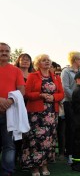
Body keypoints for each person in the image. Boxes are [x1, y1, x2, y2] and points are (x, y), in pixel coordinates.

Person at [21, 54, 64, 176]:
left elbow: (61, 94)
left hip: (51, 113)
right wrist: (41, 95)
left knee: (48, 140)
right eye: (44, 60)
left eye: (48, 60)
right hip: (35, 114)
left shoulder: (55, 77)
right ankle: (34, 168)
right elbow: (27, 93)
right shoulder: (33, 76)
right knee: (34, 140)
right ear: (38, 63)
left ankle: (44, 165)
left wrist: (54, 97)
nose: (47, 62)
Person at [0, 42, 25, 176]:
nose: (4, 53)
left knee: (9, 145)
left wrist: (10, 101)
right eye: (1, 51)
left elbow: (21, 89)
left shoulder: (16, 71)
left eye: (7, 51)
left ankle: (7, 171)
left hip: (9, 112)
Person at [61, 51, 80, 164]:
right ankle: (69, 153)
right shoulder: (65, 71)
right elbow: (65, 88)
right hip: (70, 103)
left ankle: (79, 154)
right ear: (75, 59)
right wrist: (76, 99)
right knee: (71, 129)